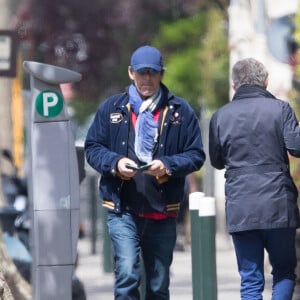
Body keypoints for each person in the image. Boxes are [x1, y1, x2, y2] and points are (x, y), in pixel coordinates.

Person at [84, 45, 205, 300]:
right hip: (122, 209)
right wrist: (115, 163)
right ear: (131, 73)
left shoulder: (180, 112)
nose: (147, 79)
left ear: (162, 74)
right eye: (142, 73)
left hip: (162, 211)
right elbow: (93, 148)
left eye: (153, 72)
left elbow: (196, 155)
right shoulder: (112, 108)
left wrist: (167, 165)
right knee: (127, 273)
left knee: (158, 286)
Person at [209, 57, 300, 300]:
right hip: (278, 205)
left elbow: (217, 161)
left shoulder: (220, 116)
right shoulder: (281, 110)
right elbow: (297, 147)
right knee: (284, 272)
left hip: (241, 206)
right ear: (266, 82)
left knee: (250, 279)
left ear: (234, 86)